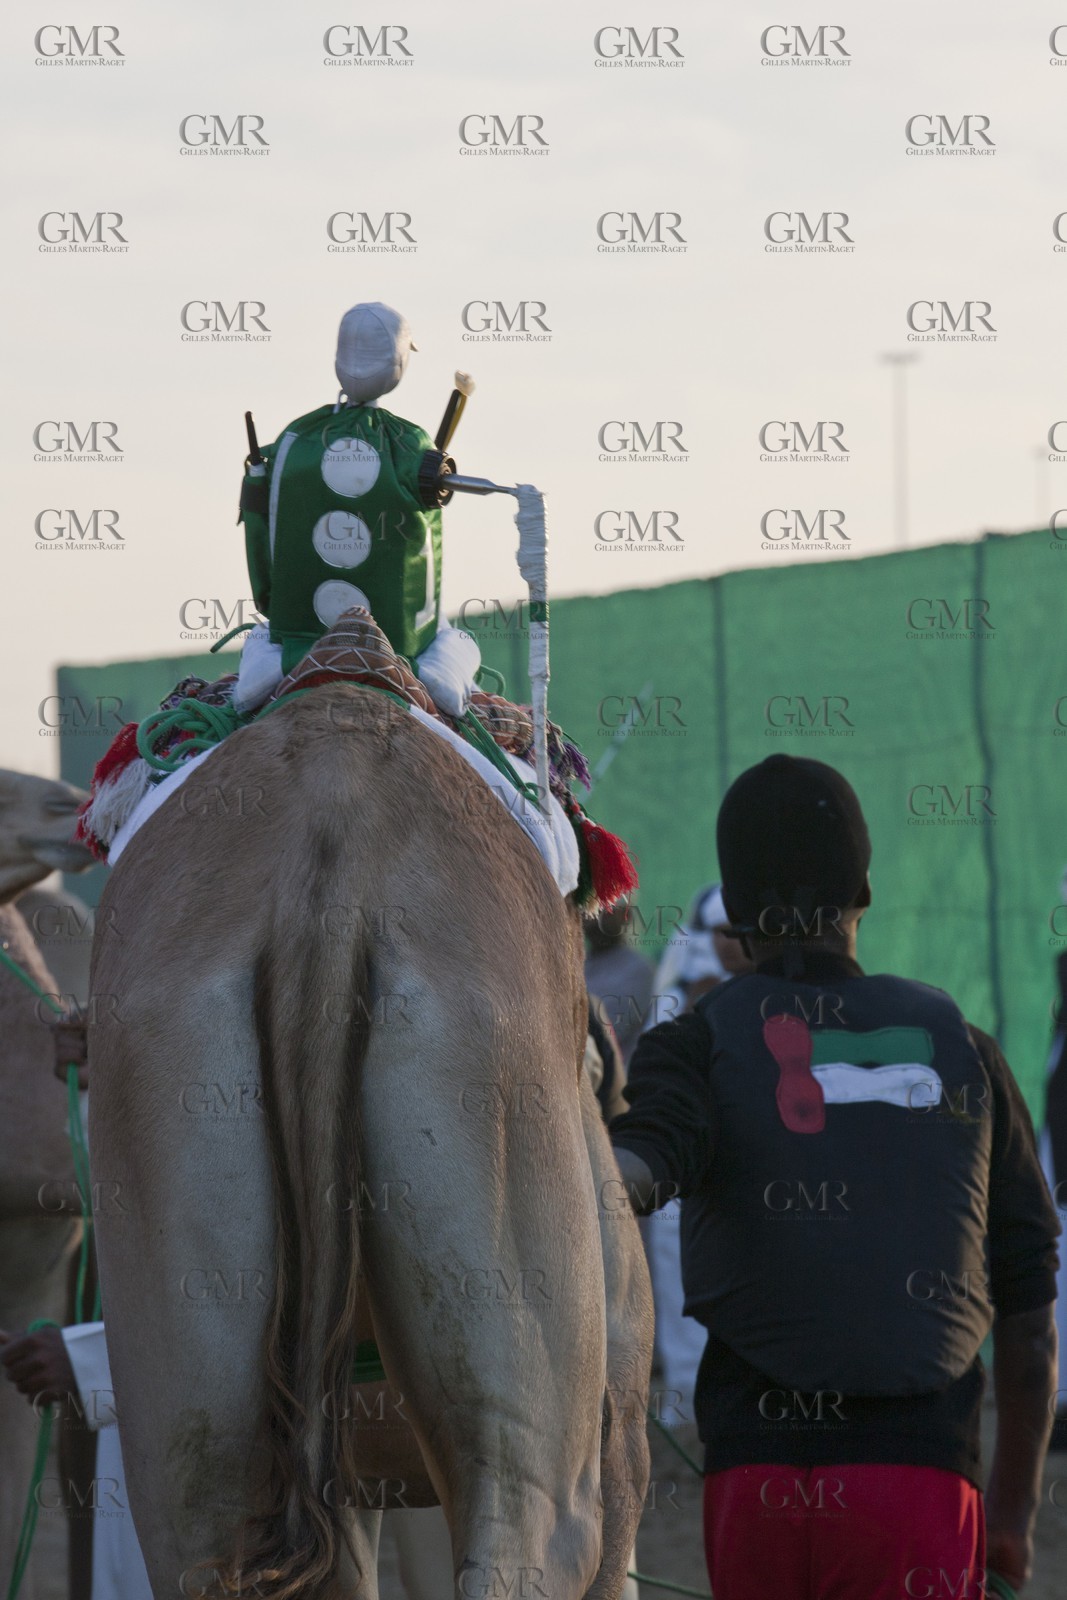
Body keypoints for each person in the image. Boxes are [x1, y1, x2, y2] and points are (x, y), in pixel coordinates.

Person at [610, 754, 1060, 1600]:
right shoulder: (966, 1048)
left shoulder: (692, 1044)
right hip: (918, 1479)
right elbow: (1030, 1316)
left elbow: (640, 1166)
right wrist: (1008, 1515)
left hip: (754, 1482)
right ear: (863, 890)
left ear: (735, 918)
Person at [585, 902, 655, 1065]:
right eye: (592, 911)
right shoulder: (575, 964)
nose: (597, 920)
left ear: (626, 915)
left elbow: (605, 1031)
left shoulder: (638, 970)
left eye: (606, 912)